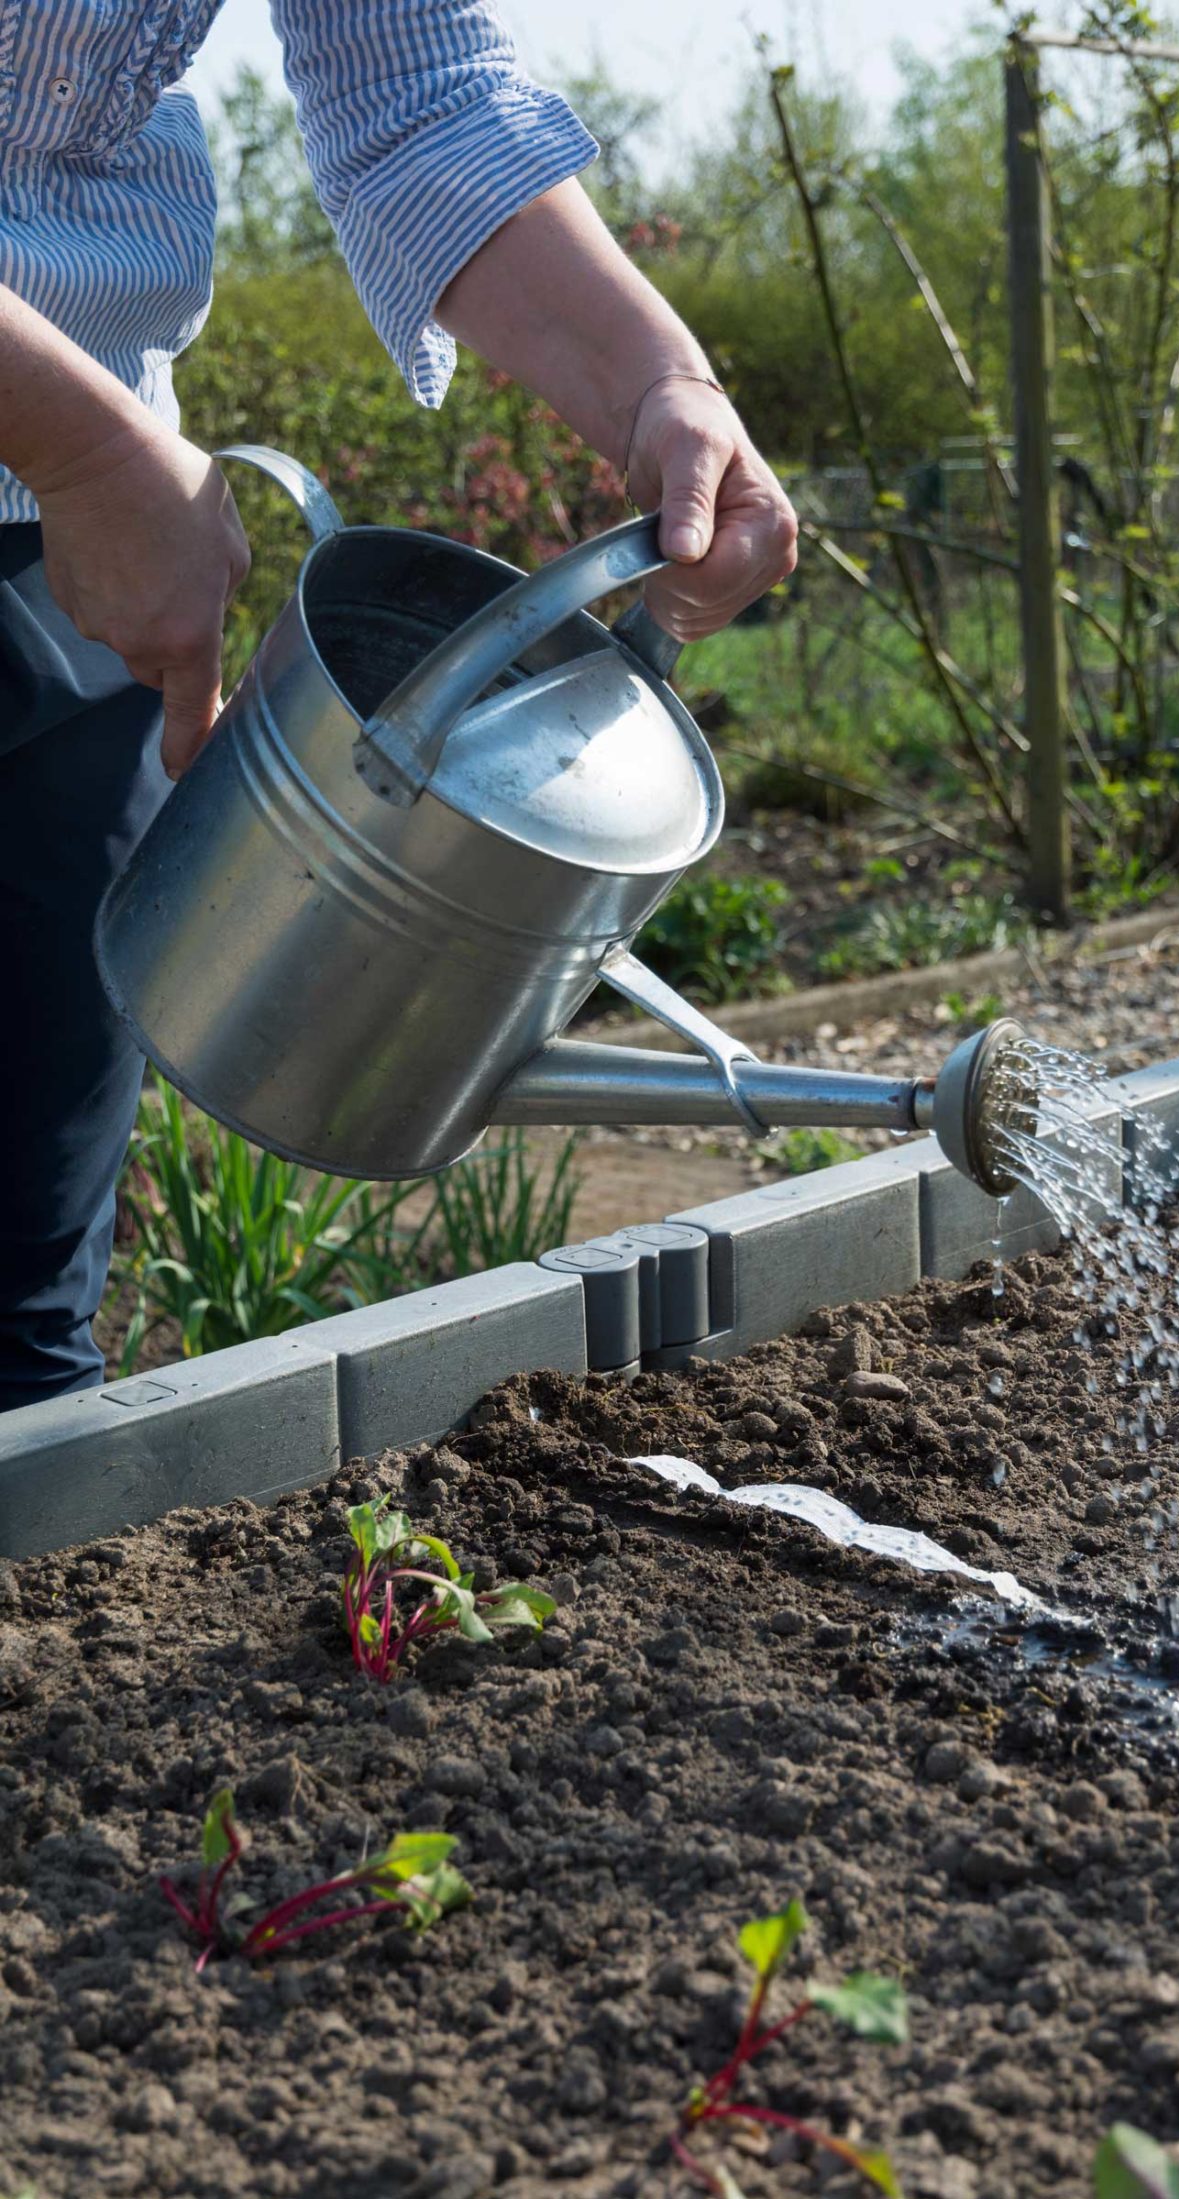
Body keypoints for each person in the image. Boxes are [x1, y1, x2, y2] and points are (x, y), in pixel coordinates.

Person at [0, 2, 797, 1416]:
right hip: (92, 484)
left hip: (89, 569)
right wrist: (79, 446)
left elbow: (417, 90)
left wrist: (659, 383)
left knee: (20, 1313)